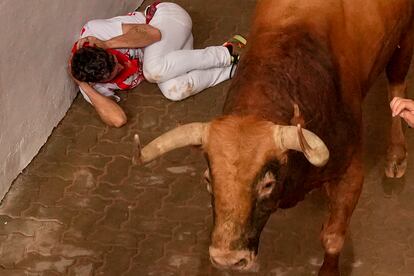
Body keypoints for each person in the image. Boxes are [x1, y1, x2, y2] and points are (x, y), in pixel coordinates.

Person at [69, 1, 247, 127]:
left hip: (168, 20)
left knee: (152, 71)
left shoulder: (95, 32)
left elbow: (154, 34)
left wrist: (107, 44)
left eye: (116, 61)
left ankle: (226, 53)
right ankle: (231, 70)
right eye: (115, 73)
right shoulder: (90, 82)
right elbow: (118, 119)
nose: (121, 67)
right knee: (174, 90)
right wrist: (83, 86)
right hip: (174, 53)